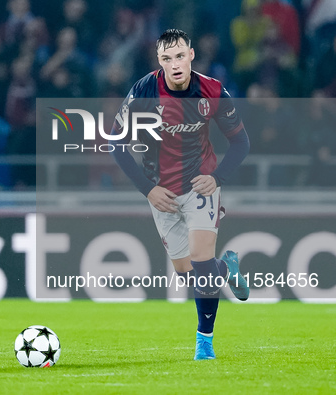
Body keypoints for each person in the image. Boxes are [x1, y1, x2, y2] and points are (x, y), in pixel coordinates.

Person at [111, 29, 251, 360]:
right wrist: (148, 190)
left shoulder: (213, 90)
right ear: (158, 61)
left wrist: (217, 178)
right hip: (161, 192)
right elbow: (115, 142)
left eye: (179, 56)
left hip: (200, 185)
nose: (174, 64)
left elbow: (241, 142)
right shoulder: (144, 90)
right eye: (166, 58)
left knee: (201, 265)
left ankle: (205, 343)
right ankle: (226, 269)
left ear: (191, 55)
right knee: (187, 271)